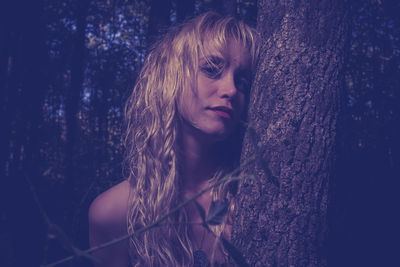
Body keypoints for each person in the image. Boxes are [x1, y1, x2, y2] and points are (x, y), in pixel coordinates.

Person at [89, 11, 258, 267]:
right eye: (212, 69)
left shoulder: (250, 201)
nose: (231, 90)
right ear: (170, 76)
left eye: (242, 82)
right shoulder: (114, 214)